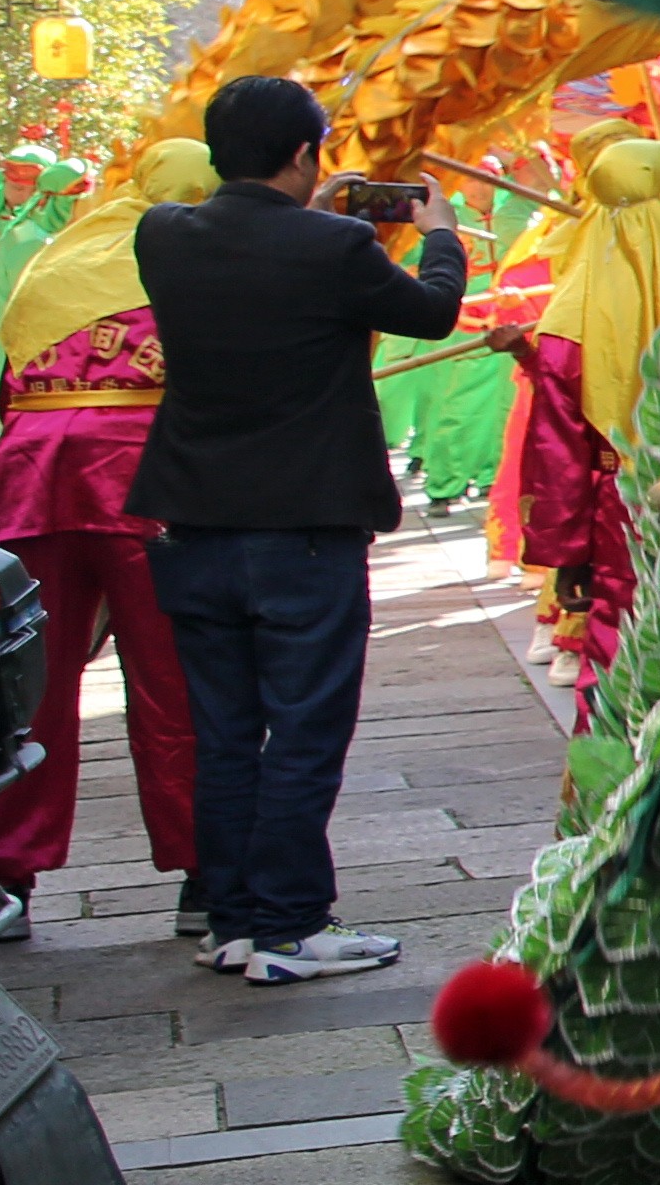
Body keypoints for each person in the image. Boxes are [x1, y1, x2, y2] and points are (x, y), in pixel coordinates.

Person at [130, 81, 467, 983]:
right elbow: (431, 309)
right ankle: (289, 925)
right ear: (308, 154)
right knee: (307, 730)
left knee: (227, 733)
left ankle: (233, 919)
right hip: (304, 528)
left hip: (194, 522)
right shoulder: (337, 244)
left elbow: (258, 249)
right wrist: (438, 232)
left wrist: (315, 210)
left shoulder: (162, 234)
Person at [0, 139, 211, 936]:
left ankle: (4, 877)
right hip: (147, 487)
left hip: (34, 483)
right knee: (176, 685)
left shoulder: (63, 257)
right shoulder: (196, 256)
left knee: (29, 688)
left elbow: (6, 380)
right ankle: (206, 875)